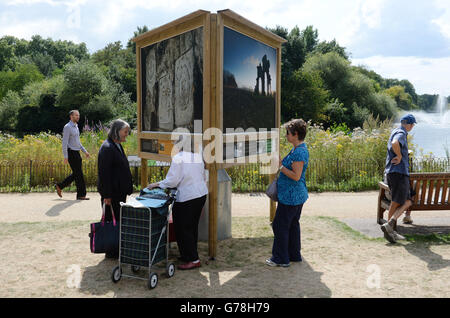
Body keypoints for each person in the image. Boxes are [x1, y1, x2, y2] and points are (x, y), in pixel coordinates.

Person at [147, 135, 208, 270]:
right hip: (200, 194)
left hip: (187, 197)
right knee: (192, 227)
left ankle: (193, 259)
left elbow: (172, 181)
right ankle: (188, 254)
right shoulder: (197, 156)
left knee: (183, 227)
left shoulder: (178, 158)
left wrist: (157, 184)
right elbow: (204, 176)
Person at [266, 119, 309, 267]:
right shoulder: (298, 149)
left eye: (288, 133)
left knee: (280, 225)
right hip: (296, 195)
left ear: (296, 134)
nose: (286, 135)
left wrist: (280, 167)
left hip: (291, 196)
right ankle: (294, 254)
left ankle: (280, 258)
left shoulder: (299, 152)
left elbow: (296, 176)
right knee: (292, 224)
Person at [97, 119, 133, 258]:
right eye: (125, 132)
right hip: (111, 194)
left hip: (119, 192)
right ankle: (111, 251)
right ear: (117, 131)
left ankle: (116, 248)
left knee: (117, 220)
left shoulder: (116, 145)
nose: (126, 135)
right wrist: (106, 195)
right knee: (111, 222)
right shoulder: (107, 148)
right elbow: (104, 174)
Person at [380, 114, 417, 243]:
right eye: (412, 124)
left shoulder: (395, 130)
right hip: (398, 173)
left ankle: (390, 228)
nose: (412, 127)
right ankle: (390, 228)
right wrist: (400, 155)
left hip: (394, 173)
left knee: (406, 201)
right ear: (408, 124)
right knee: (398, 202)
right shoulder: (401, 132)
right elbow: (395, 143)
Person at [55, 110, 90, 200]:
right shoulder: (67, 127)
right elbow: (64, 142)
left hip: (77, 152)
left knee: (76, 174)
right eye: (76, 115)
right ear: (71, 116)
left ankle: (60, 186)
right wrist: (65, 156)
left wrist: (85, 151)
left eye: (78, 115)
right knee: (79, 174)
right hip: (71, 153)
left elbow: (78, 142)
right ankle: (81, 195)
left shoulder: (76, 126)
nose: (78, 117)